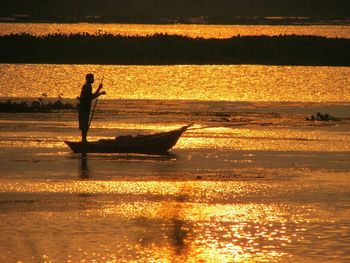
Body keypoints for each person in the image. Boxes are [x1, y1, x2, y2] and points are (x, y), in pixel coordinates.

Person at [78, 73, 106, 143]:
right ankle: (84, 140)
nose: (93, 79)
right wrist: (100, 93)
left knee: (85, 124)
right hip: (84, 108)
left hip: (85, 107)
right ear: (89, 79)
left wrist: (99, 89)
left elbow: (92, 95)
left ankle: (84, 140)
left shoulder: (88, 86)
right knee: (84, 124)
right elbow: (91, 97)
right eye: (92, 78)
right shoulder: (87, 87)